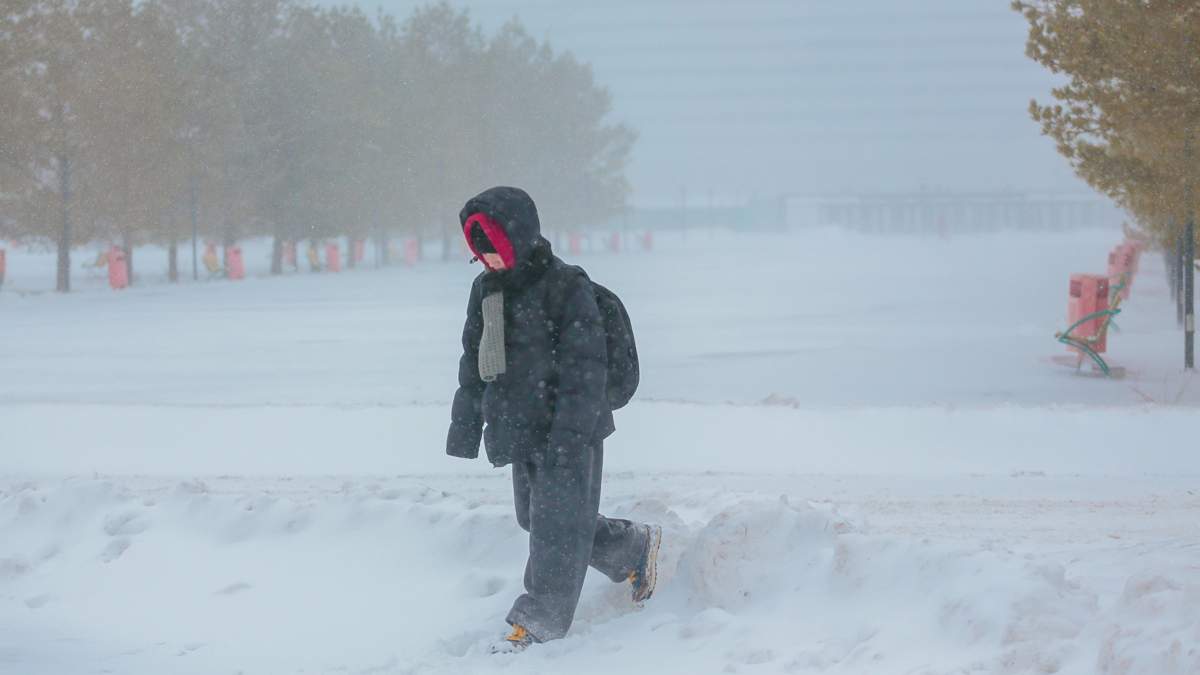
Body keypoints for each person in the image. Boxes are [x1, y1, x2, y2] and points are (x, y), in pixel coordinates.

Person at [446, 186, 662, 653]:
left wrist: (570, 437)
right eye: (480, 254)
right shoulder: (486, 290)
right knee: (534, 518)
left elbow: (586, 370)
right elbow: (474, 359)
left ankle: (538, 622)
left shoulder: (567, 287)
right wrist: (465, 425)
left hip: (570, 427)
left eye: (496, 251)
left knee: (557, 526)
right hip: (518, 426)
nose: (490, 262)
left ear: (517, 239)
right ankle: (633, 548)